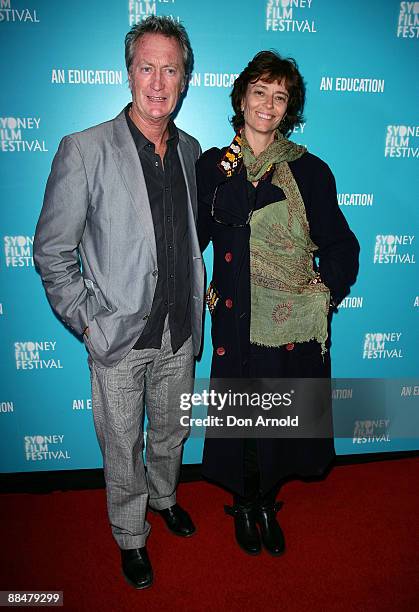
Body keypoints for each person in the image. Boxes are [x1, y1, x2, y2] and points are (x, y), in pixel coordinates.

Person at [34, 16, 204, 590]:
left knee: (171, 434)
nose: (158, 82)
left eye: (170, 69)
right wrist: (91, 322)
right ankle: (131, 535)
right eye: (146, 68)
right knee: (121, 444)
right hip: (120, 340)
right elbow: (53, 252)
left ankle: (164, 499)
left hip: (180, 333)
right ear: (129, 74)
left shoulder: (191, 151)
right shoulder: (84, 149)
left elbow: (185, 238)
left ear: (184, 79)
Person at [196, 51, 359, 557]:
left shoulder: (311, 172)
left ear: (289, 109)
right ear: (241, 97)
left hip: (286, 319)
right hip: (234, 315)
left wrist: (321, 293)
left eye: (280, 96)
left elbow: (340, 245)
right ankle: (246, 503)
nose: (268, 104)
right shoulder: (212, 167)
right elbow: (190, 239)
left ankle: (267, 499)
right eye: (260, 91)